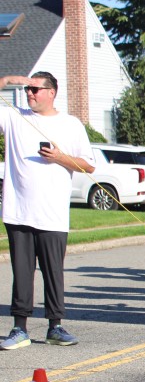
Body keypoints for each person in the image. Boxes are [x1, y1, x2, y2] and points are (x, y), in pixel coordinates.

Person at [0, 71, 95, 350]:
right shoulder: (14, 117)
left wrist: (59, 157)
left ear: (51, 92)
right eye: (27, 89)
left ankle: (55, 326)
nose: (29, 93)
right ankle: (19, 328)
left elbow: (88, 165)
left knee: (53, 272)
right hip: (18, 212)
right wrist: (7, 81)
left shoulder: (70, 124)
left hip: (52, 215)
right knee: (22, 272)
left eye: (35, 89)